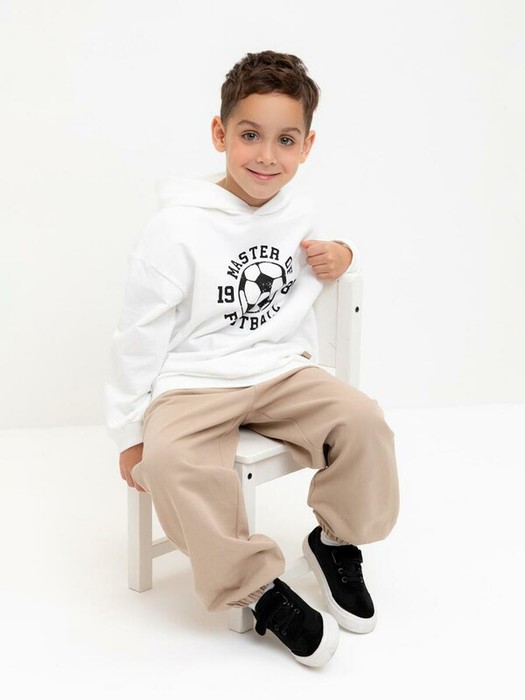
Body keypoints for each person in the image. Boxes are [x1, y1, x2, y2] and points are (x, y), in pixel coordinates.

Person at [105, 50, 399, 667]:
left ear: (306, 146)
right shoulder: (176, 228)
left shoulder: (297, 210)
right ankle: (257, 588)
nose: (266, 156)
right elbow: (137, 334)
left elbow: (323, 257)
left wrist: (344, 252)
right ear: (220, 134)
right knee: (171, 462)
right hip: (194, 382)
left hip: (279, 370)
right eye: (249, 135)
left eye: (285, 140)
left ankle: (334, 541)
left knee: (364, 421)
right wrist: (130, 434)